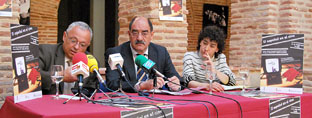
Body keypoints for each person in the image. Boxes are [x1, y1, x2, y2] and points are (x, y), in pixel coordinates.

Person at [105, 16, 182, 93]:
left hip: (156, 101)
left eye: (144, 33)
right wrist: (141, 86)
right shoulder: (115, 53)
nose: (139, 38)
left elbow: (175, 78)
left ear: (151, 35)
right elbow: (112, 84)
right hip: (128, 101)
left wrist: (175, 85)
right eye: (135, 33)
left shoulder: (161, 52)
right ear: (129, 34)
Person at [39, 21, 97, 95]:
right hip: (49, 104)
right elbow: (33, 77)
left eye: (82, 45)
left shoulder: (91, 62)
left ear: (88, 45)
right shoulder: (45, 52)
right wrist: (60, 76)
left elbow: (91, 91)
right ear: (64, 36)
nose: (76, 47)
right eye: (73, 41)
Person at [182, 25, 236, 92]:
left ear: (217, 49)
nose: (206, 48)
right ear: (200, 42)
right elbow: (188, 82)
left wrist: (215, 70)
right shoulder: (189, 57)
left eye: (212, 46)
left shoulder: (221, 58)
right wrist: (207, 86)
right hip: (197, 94)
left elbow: (232, 81)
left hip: (217, 94)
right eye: (205, 43)